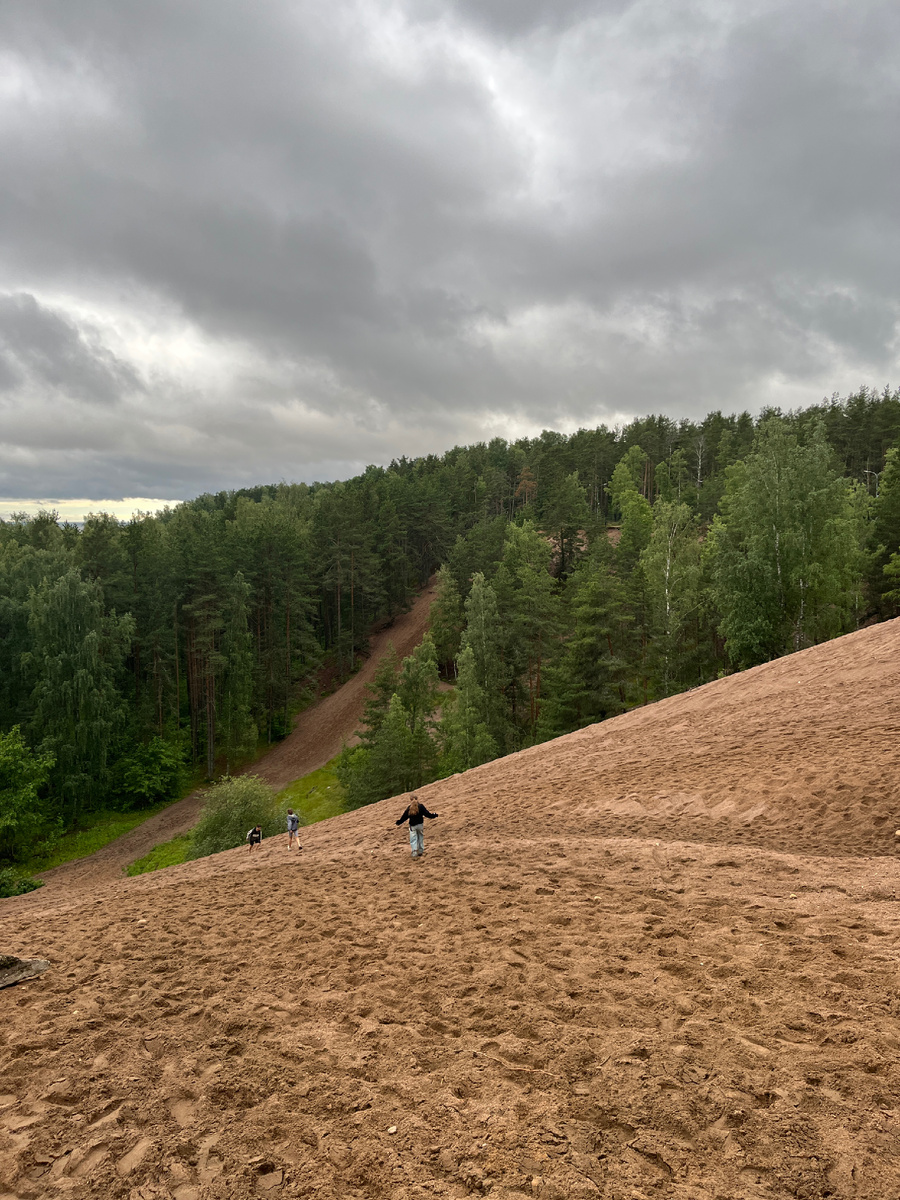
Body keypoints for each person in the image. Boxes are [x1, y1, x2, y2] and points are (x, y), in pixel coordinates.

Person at [395, 794, 438, 859]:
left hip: (413, 826)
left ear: (410, 800)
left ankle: (414, 851)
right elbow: (427, 814)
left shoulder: (409, 808)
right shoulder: (421, 806)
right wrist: (434, 815)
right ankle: (420, 850)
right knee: (420, 836)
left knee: (413, 839)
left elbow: (404, 817)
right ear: (417, 799)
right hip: (420, 825)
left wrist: (399, 822)